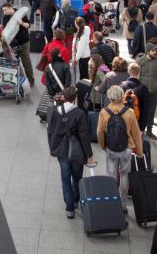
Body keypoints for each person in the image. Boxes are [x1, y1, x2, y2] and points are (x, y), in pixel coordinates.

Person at [48, 86, 96, 219]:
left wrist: (52, 147)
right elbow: (84, 136)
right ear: (75, 99)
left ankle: (69, 208)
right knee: (77, 177)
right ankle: (75, 200)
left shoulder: (54, 111)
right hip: (77, 151)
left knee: (65, 178)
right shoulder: (79, 114)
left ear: (63, 97)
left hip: (61, 150)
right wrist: (89, 155)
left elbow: (50, 131)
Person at [97, 85, 143, 197]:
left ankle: (111, 200)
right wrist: (140, 152)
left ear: (110, 97)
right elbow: (136, 134)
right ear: (122, 96)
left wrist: (104, 146)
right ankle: (122, 203)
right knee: (124, 175)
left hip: (111, 148)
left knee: (111, 175)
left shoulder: (104, 112)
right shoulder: (130, 112)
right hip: (126, 148)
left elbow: (99, 132)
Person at [0, 2, 36, 89]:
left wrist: (22, 23)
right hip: (12, 43)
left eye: (5, 10)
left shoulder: (20, 13)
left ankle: (31, 80)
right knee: (13, 62)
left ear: (10, 8)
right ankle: (17, 80)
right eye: (3, 11)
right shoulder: (5, 17)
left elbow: (28, 25)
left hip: (23, 42)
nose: (4, 12)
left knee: (26, 62)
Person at [136, 39, 157, 135]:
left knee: (151, 109)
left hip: (154, 89)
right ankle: (140, 128)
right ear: (147, 51)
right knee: (141, 108)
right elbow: (135, 72)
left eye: (155, 50)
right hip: (142, 90)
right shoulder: (140, 61)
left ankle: (149, 129)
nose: (155, 52)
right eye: (153, 50)